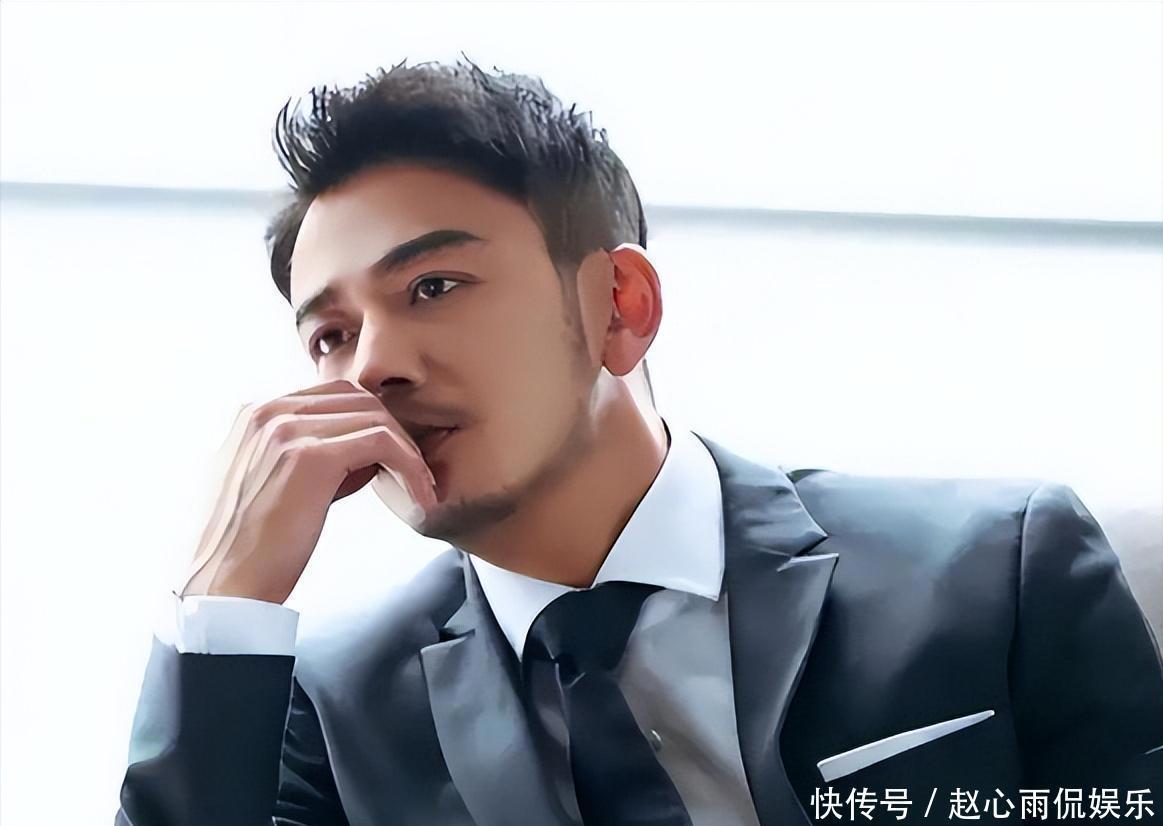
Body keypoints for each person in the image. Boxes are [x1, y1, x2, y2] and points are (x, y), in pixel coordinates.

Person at [115, 59, 1163, 826]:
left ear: (619, 303)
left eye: (432, 286)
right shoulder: (331, 706)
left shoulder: (994, 566)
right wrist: (225, 605)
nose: (372, 367)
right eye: (330, 336)